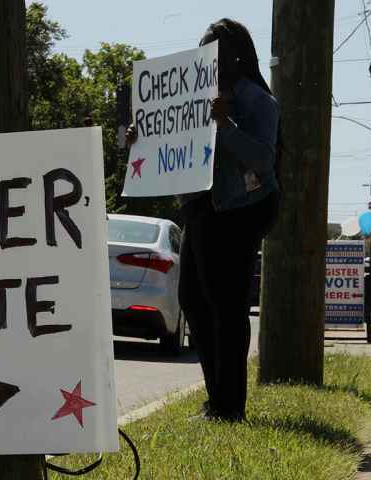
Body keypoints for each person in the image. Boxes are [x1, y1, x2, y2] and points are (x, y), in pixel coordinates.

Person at [127, 18, 280, 422]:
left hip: (240, 211)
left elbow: (263, 160)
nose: (205, 57)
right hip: (202, 207)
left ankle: (230, 407)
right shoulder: (196, 95)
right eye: (201, 48)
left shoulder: (255, 101)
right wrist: (139, 137)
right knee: (193, 300)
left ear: (235, 55)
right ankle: (217, 401)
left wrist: (224, 124)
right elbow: (169, 140)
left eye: (212, 49)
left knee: (227, 307)